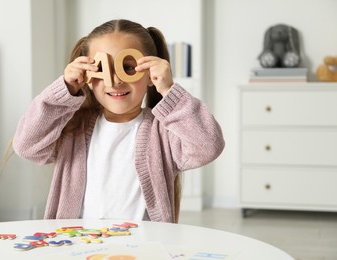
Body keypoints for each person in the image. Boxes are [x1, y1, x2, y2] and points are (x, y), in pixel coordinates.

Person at [12, 19, 224, 223]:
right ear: (87, 76)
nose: (115, 80)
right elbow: (27, 146)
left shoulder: (163, 133)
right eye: (102, 69)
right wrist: (64, 89)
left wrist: (169, 91)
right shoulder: (74, 128)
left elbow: (208, 146)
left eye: (128, 68)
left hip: (143, 247)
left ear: (150, 75)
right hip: (79, 245)